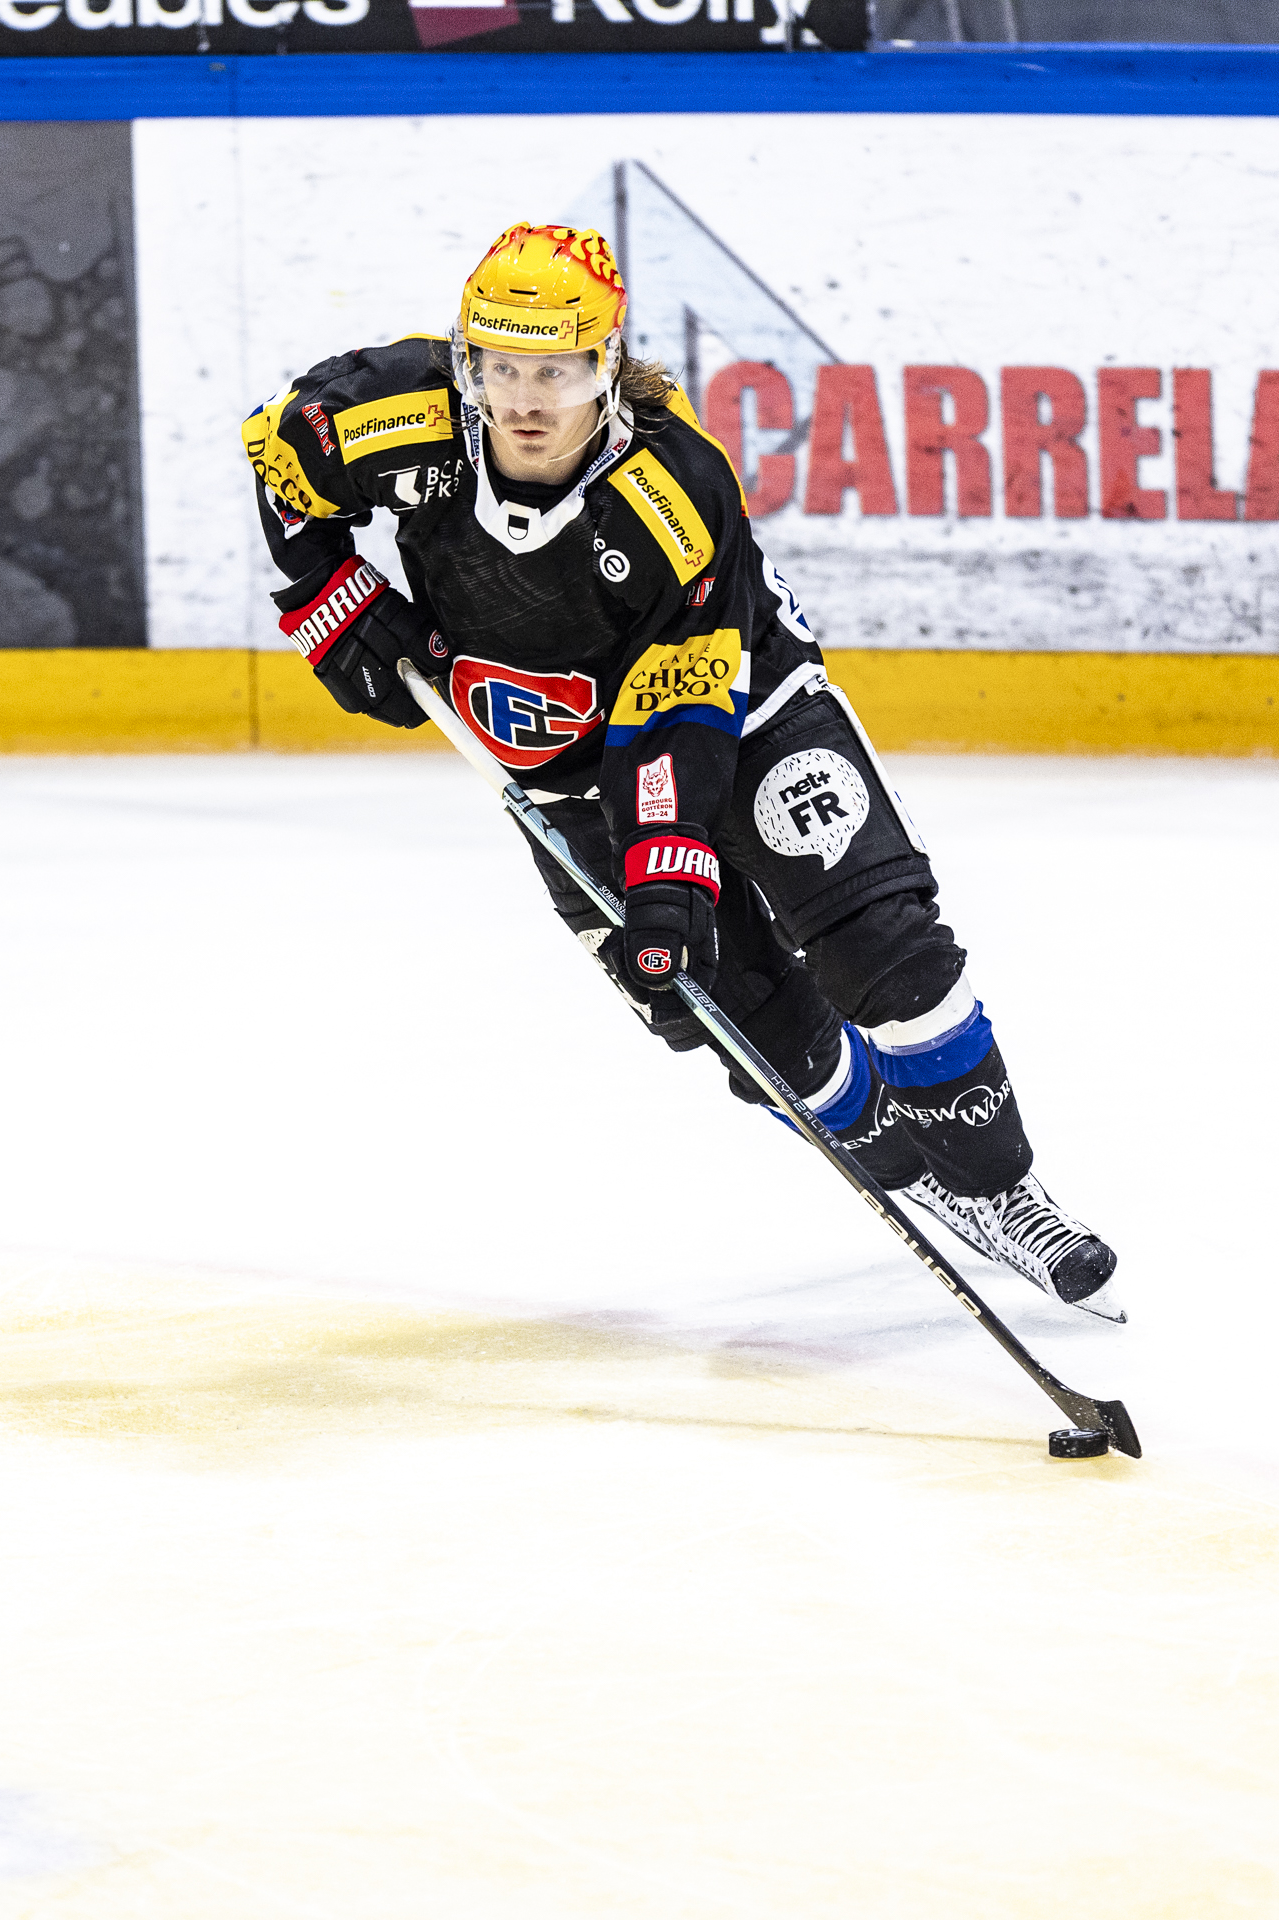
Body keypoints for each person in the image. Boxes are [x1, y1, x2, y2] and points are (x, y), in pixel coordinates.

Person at [240, 222, 1122, 1319]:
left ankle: (1001, 1187)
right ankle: (904, 1162)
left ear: (607, 364)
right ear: (466, 362)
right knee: (738, 1019)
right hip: (554, 755)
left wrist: (666, 868)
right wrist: (326, 594)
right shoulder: (386, 413)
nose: (526, 402)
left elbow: (679, 706)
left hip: (746, 710)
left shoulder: (674, 490)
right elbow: (278, 456)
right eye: (501, 368)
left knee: (882, 945)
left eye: (557, 372)